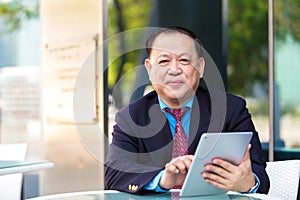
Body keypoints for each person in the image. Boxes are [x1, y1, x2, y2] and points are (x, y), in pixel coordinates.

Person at [105, 26, 270, 195]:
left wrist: (248, 183)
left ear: (200, 67)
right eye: (164, 61)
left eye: (184, 60)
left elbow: (260, 177)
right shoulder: (131, 117)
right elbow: (114, 174)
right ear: (149, 69)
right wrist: (162, 179)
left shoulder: (231, 109)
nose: (174, 70)